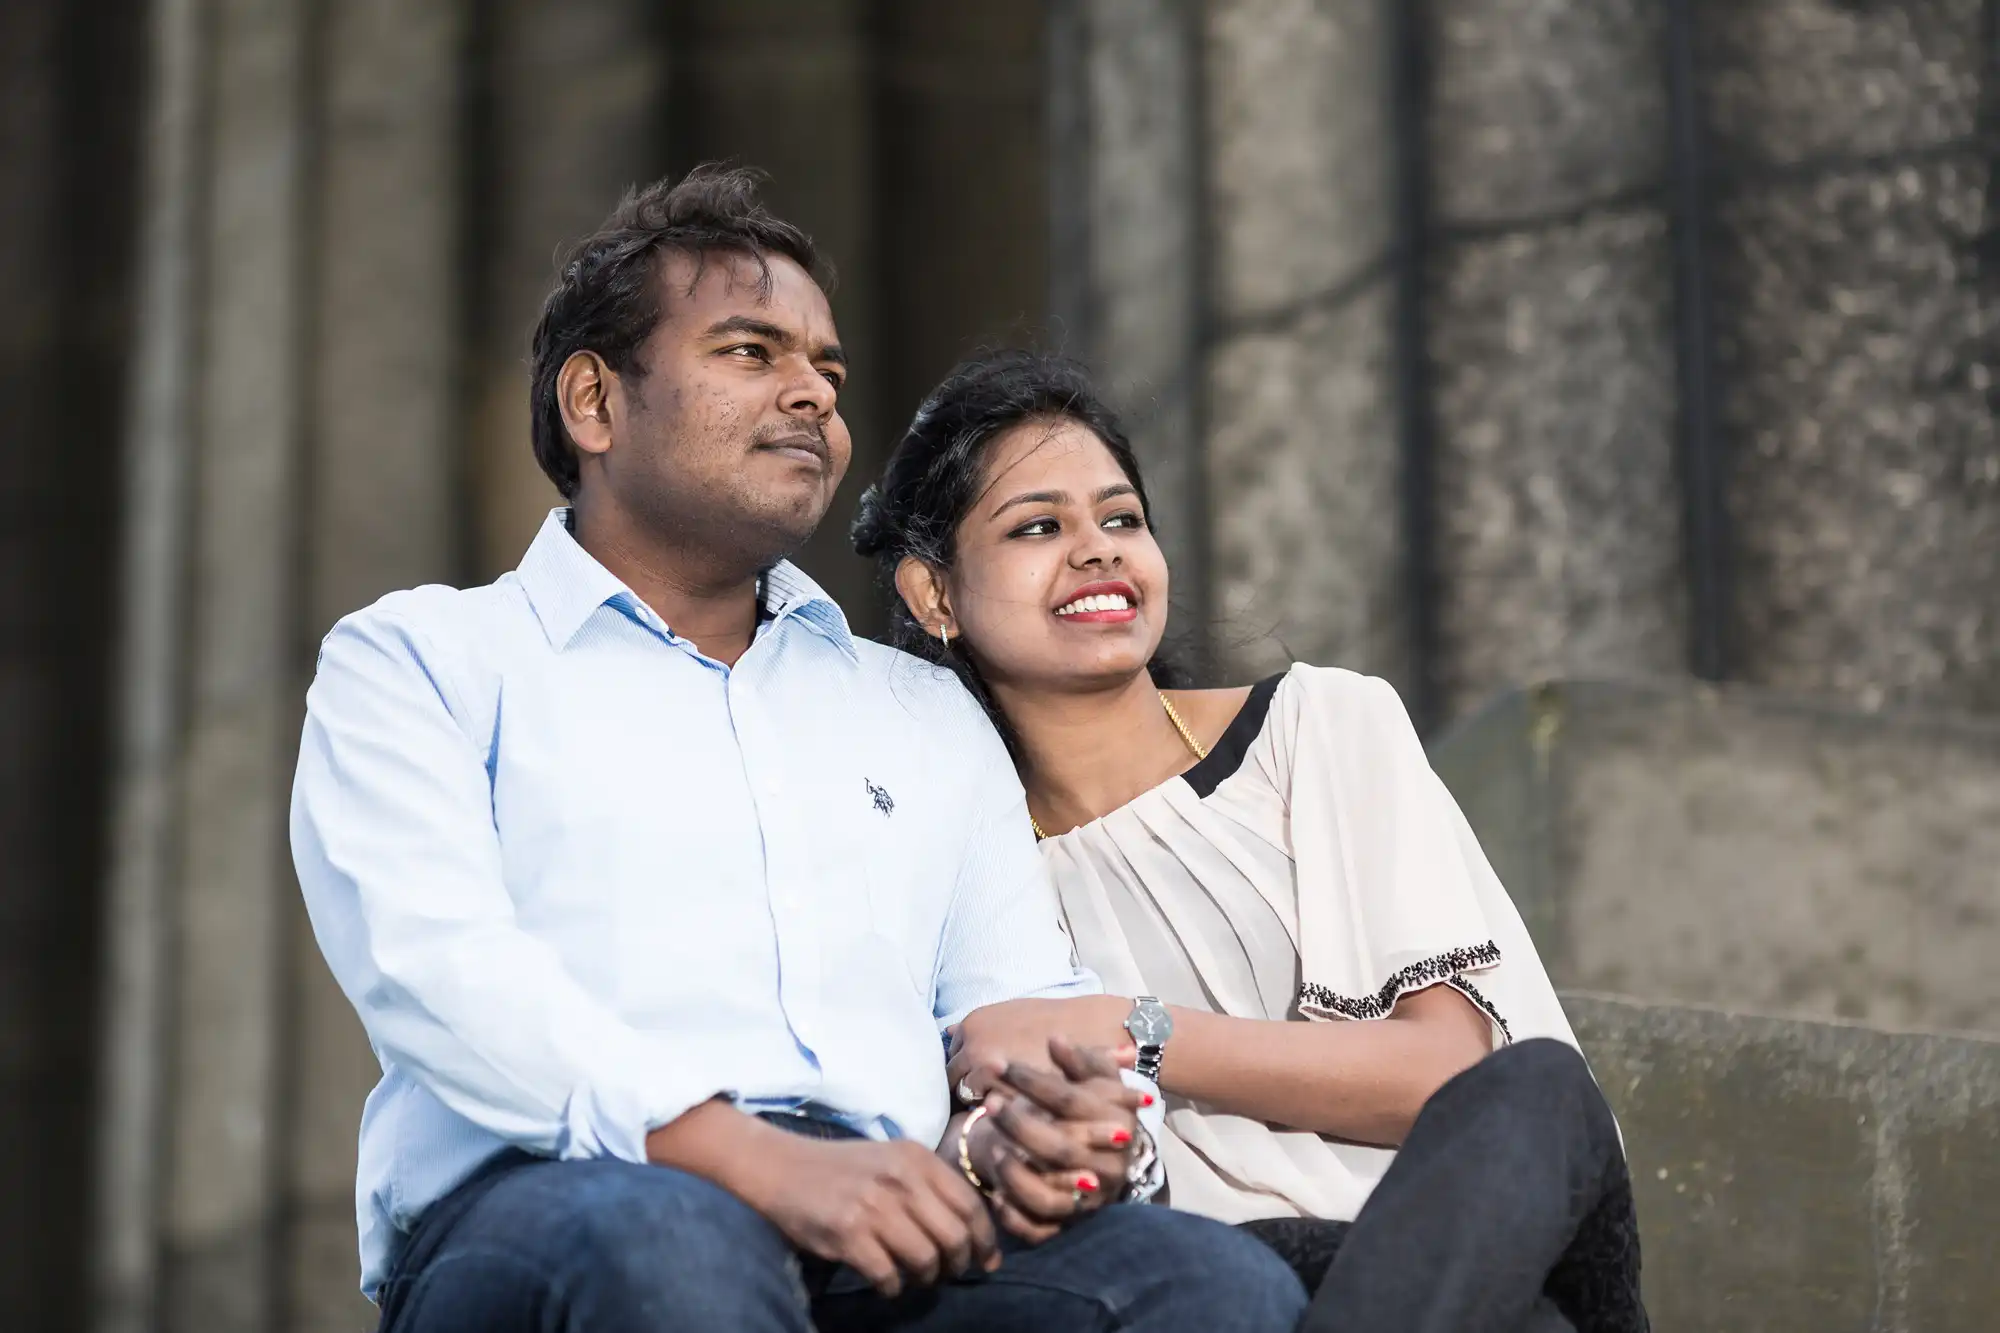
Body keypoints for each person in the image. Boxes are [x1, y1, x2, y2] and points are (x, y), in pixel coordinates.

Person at [290, 169, 1307, 1333]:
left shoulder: (917, 713)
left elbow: (1016, 1003)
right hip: (551, 1206)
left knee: (1206, 1285)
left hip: (885, 1220)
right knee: (676, 1245)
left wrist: (1050, 1128)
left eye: (826, 370)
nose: (812, 397)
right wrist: (752, 1163)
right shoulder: (424, 657)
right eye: (748, 352)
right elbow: (437, 968)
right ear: (593, 402)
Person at [850, 350, 1650, 1333]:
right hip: (1226, 1290)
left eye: (1121, 518)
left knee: (1538, 1089)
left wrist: (1134, 1028)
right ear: (933, 595)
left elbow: (1445, 1074)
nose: (1098, 549)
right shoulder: (965, 885)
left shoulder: (1320, 726)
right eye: (1038, 526)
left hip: (1472, 1241)